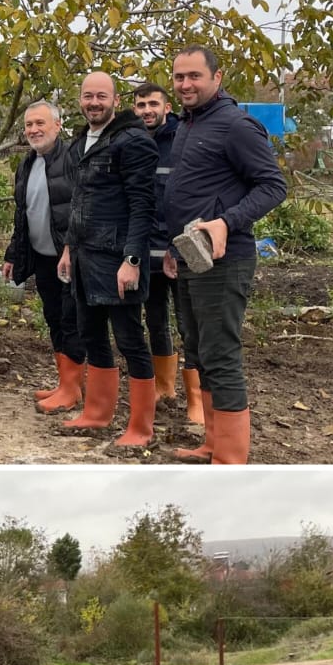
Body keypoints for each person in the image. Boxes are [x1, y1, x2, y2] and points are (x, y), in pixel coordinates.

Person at [164, 44, 287, 465]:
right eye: (179, 77)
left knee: (221, 354)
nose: (185, 84)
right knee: (198, 351)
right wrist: (170, 248)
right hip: (188, 258)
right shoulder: (188, 124)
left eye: (194, 76)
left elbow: (273, 186)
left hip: (223, 258)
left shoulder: (236, 125)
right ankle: (213, 443)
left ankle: (230, 459)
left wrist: (225, 221)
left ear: (216, 78)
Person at [59, 72, 157, 447]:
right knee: (91, 334)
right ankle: (97, 413)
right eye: (88, 96)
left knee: (131, 340)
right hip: (85, 258)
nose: (94, 103)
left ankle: (140, 428)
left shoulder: (133, 142)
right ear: (80, 100)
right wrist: (69, 248)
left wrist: (132, 259)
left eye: (101, 96)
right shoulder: (80, 142)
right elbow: (78, 204)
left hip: (118, 260)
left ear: (117, 101)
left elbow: (143, 206)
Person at [2, 100, 86, 412]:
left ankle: (72, 389)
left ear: (57, 125)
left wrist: (71, 248)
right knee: (53, 317)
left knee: (71, 320)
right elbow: (23, 214)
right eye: (29, 125)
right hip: (42, 256)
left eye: (40, 123)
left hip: (69, 257)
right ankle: (66, 384)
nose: (34, 130)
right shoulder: (28, 162)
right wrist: (13, 253)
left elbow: (81, 210)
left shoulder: (73, 159)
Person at [132, 79, 203, 423]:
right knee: (156, 322)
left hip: (181, 251)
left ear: (167, 108)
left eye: (153, 104)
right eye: (142, 105)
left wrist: (180, 242)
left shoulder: (181, 140)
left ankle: (197, 399)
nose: (148, 111)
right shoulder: (132, 142)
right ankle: (165, 387)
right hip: (147, 253)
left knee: (190, 326)